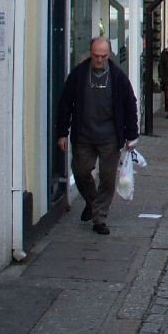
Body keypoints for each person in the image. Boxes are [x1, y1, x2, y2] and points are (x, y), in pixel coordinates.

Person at [55, 37, 138, 236]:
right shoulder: (79, 75)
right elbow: (65, 104)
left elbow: (130, 105)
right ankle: (93, 203)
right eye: (96, 56)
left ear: (109, 55)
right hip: (84, 134)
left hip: (110, 136)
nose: (100, 60)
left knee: (108, 178)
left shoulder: (118, 77)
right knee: (81, 171)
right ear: (90, 54)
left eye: (103, 56)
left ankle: (99, 218)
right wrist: (62, 133)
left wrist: (131, 135)